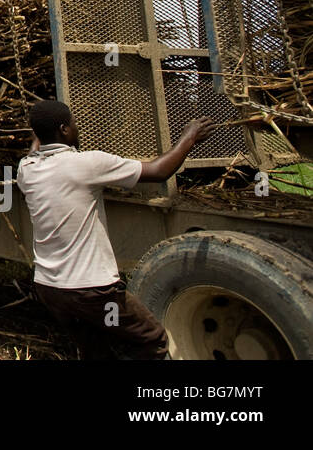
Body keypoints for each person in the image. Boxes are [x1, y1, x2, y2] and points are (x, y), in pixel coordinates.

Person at [16, 99, 215, 360]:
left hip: (49, 289)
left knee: (95, 350)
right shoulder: (87, 164)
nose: (78, 127)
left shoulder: (26, 169)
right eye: (74, 123)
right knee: (151, 338)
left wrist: (39, 130)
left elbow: (36, 147)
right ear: (64, 130)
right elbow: (158, 171)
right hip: (91, 291)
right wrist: (189, 137)